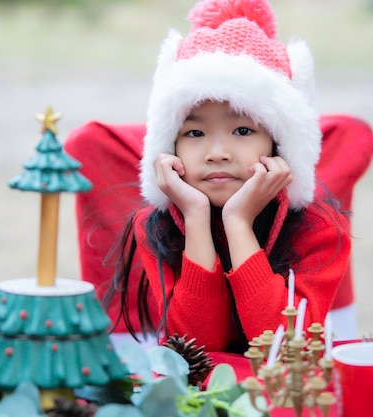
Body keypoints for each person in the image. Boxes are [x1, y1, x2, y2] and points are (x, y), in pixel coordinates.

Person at [103, 0, 351, 353]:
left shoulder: (320, 230)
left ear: (280, 145)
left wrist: (238, 222)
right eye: (194, 133)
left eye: (243, 130)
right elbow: (196, 348)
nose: (217, 152)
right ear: (169, 146)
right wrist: (196, 218)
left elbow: (282, 349)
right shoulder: (155, 227)